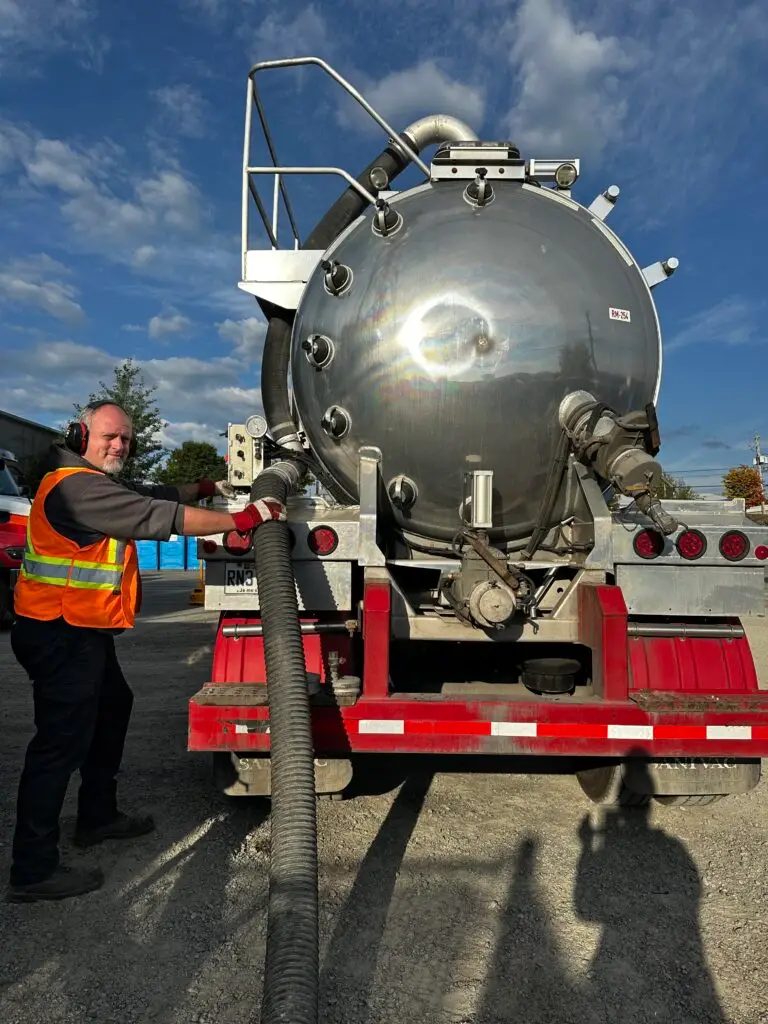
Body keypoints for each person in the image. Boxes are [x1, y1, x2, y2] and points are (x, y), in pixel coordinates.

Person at [6, 400, 285, 904]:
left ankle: (97, 817)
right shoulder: (76, 487)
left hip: (78, 629)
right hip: (59, 631)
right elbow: (156, 514)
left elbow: (153, 492)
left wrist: (204, 488)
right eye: (109, 436)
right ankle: (32, 869)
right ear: (79, 434)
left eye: (126, 440)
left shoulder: (96, 480)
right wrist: (242, 516)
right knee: (58, 746)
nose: (119, 445)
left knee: (114, 707)